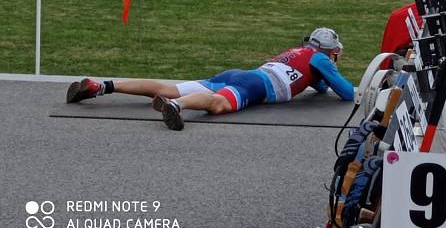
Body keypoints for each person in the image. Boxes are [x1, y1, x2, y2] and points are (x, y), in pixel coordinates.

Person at [66, 28, 354, 131]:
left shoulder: (300, 53)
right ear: (330, 51)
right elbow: (345, 93)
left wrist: (323, 76)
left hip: (238, 74)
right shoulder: (321, 59)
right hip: (254, 86)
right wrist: (333, 68)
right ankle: (177, 107)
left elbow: (315, 85)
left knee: (164, 85)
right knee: (217, 104)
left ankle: (100, 86)